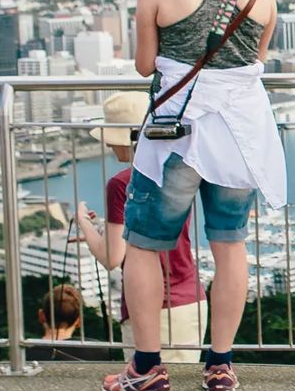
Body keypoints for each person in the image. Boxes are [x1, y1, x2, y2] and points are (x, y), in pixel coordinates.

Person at [102, 0, 283, 391]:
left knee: (143, 246)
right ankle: (221, 367)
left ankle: (148, 370)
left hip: (177, 134)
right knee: (230, 246)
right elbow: (257, 56)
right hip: (239, 134)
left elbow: (142, 65)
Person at [75, 90, 206, 364]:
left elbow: (112, 257)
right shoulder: (178, 171)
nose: (108, 146)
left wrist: (84, 224)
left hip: (151, 308)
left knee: (147, 389)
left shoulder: (122, 184)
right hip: (192, 300)